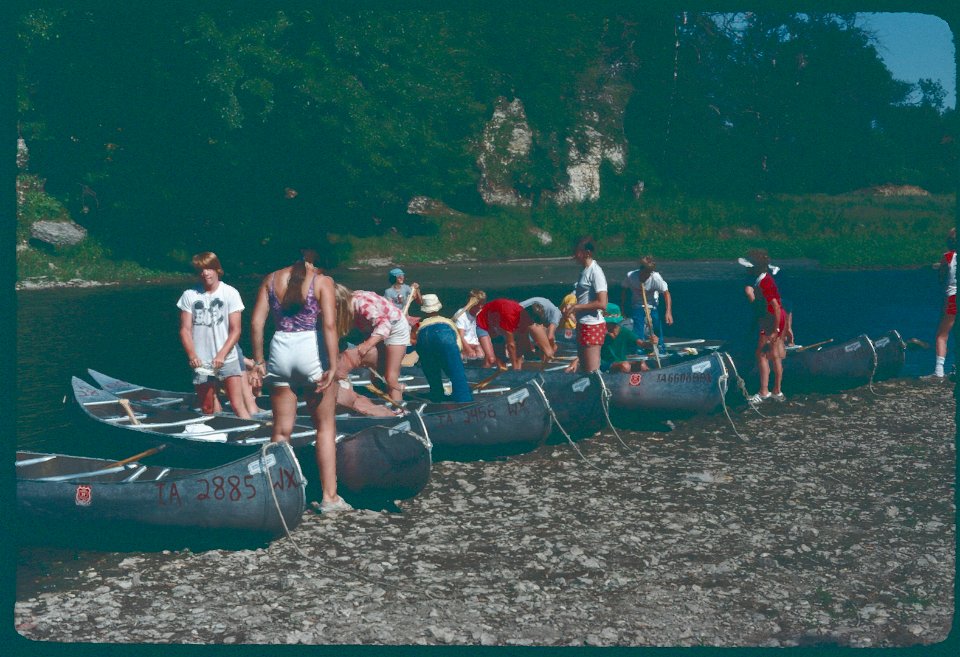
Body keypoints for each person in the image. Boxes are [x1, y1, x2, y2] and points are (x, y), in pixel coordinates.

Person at [249, 247, 348, 513]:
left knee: (281, 430)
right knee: (325, 427)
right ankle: (329, 497)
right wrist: (333, 365)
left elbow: (257, 323)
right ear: (312, 253)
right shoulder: (322, 281)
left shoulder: (270, 279)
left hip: (280, 349)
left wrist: (258, 362)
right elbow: (329, 325)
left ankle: (278, 494)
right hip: (309, 351)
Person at [176, 252, 253, 419]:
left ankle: (249, 436)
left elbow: (236, 330)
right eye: (201, 270)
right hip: (202, 360)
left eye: (209, 268)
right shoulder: (189, 295)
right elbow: (185, 330)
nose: (205, 273)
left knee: (237, 405)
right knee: (207, 406)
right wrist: (192, 355)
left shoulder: (230, 293)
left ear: (217, 269)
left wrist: (222, 355)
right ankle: (216, 437)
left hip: (227, 358)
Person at [334, 285, 411, 404]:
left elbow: (384, 325)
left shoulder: (361, 304)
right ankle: (384, 401)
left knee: (390, 377)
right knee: (378, 377)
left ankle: (399, 408)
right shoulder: (345, 307)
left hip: (395, 328)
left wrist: (367, 345)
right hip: (374, 329)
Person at [742, 249, 786, 403]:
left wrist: (776, 330)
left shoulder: (764, 282)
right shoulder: (762, 279)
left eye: (749, 266)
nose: (747, 269)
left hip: (771, 320)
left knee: (762, 354)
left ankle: (764, 392)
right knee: (774, 356)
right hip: (774, 319)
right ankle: (777, 391)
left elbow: (775, 306)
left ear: (755, 267)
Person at [413, 293, 473, 402]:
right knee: (456, 373)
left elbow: (415, 341)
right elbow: (457, 341)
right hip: (444, 335)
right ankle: (464, 399)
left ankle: (437, 396)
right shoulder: (447, 321)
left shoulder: (418, 324)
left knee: (432, 372)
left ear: (424, 310)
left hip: (424, 337)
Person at [561, 236, 609, 373]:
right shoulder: (585, 271)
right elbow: (583, 297)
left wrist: (576, 307)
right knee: (584, 368)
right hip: (583, 324)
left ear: (587, 253)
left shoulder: (596, 271)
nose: (575, 255)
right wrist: (571, 307)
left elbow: (602, 303)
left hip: (592, 325)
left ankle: (601, 393)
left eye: (578, 252)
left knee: (592, 371)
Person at [475, 298, 555, 370]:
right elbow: (511, 345)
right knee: (492, 358)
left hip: (499, 317)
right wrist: (515, 369)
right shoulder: (510, 318)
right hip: (485, 320)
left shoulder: (524, 317)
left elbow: (520, 345)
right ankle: (495, 369)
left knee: (519, 347)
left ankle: (514, 369)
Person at [621, 255, 673, 344]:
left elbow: (666, 293)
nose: (646, 276)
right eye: (644, 273)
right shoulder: (631, 276)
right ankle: (639, 347)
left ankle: (659, 347)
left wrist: (668, 312)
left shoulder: (656, 278)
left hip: (652, 305)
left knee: (655, 325)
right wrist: (622, 308)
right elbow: (624, 291)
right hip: (637, 304)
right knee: (638, 325)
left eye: (648, 274)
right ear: (640, 270)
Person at [601, 303, 659, 372]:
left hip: (623, 361)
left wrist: (652, 342)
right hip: (606, 364)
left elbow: (642, 344)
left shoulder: (624, 331)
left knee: (641, 365)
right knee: (625, 366)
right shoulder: (600, 334)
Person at [932, 227, 957, 379]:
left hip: (953, 297)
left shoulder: (947, 257)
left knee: (942, 335)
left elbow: (941, 279)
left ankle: (939, 370)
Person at [454, 289, 486, 361]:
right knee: (473, 356)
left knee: (482, 356)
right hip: (462, 345)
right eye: (478, 304)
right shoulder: (461, 315)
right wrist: (469, 350)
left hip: (475, 344)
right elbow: (460, 337)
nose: (481, 306)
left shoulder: (479, 313)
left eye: (482, 304)